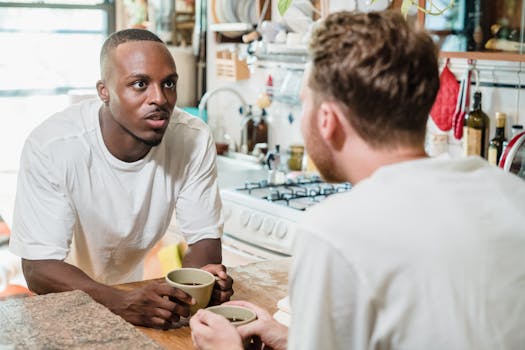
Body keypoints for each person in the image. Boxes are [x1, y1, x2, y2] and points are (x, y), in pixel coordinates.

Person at [190, 10, 525, 350]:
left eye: (305, 103)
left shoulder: (335, 231)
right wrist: (292, 339)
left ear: (326, 121)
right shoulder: (512, 196)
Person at [9, 28, 233, 329]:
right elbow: (37, 268)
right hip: (63, 298)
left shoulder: (192, 138)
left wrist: (201, 286)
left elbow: (204, 239)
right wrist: (117, 303)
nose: (160, 98)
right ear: (104, 91)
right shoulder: (53, 146)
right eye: (140, 84)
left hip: (131, 292)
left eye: (169, 83)